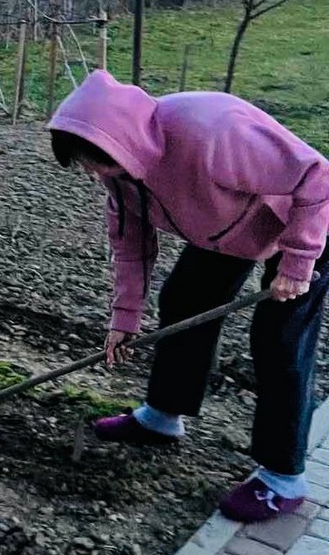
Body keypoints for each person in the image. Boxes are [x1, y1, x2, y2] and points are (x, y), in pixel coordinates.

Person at [48, 70, 329, 523]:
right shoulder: (120, 175)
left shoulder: (210, 133)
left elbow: (316, 178)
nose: (91, 172)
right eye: (83, 163)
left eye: (93, 160)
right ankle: (162, 417)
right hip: (229, 230)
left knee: (279, 341)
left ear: (122, 140)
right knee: (182, 300)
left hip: (304, 224)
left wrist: (297, 263)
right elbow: (131, 246)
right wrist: (124, 317)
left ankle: (283, 478)